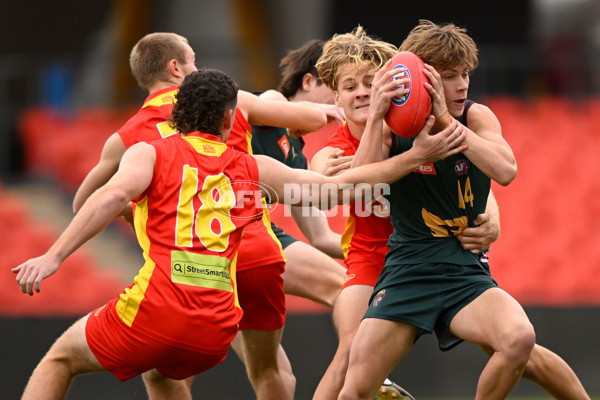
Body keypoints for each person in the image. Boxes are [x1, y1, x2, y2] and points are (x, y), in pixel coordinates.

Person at [13, 68, 468, 400]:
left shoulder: (149, 152)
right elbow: (332, 193)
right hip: (217, 325)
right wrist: (413, 158)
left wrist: (54, 257)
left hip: (158, 308)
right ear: (231, 118)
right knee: (163, 376)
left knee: (60, 358)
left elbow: (108, 199)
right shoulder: (254, 166)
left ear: (178, 113)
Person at [336, 20, 591, 399]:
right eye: (451, 76)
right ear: (423, 78)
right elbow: (359, 185)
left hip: (463, 271)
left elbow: (505, 171)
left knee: (521, 341)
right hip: (408, 270)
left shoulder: (475, 116)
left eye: (465, 74)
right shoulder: (391, 125)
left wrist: (443, 118)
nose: (463, 85)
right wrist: (376, 117)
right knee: (355, 386)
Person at [70, 32, 328, 400]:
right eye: (193, 59)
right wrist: (327, 108)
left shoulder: (128, 138)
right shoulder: (230, 101)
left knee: (172, 367)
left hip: (189, 264)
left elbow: (85, 202)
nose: (198, 66)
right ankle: (363, 373)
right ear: (175, 67)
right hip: (251, 246)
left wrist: (140, 208)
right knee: (274, 363)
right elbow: (311, 117)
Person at [309, 26, 502, 400]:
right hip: (371, 257)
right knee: (349, 353)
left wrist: (492, 219)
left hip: (428, 253)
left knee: (518, 350)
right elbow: (327, 191)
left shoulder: (418, 126)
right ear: (336, 97)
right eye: (351, 87)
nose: (364, 92)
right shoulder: (333, 152)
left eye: (371, 81)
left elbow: (474, 181)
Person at [251, 39, 347, 309]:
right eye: (339, 90)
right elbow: (261, 109)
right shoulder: (271, 101)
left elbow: (323, 239)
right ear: (308, 82)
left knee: (264, 353)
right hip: (226, 231)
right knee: (345, 289)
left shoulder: (298, 159)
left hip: (259, 234)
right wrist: (315, 112)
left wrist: (391, 249)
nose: (340, 102)